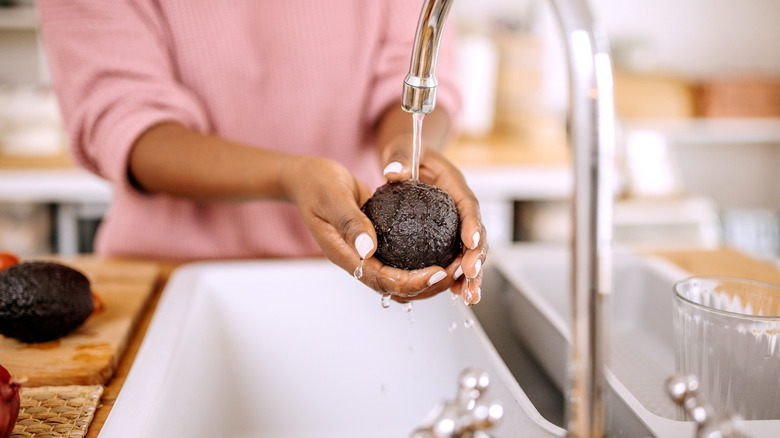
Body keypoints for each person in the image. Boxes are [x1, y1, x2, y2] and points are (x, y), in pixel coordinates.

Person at [35, 0, 487, 304]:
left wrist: (409, 152)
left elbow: (411, 68)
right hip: (171, 279)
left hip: (350, 281)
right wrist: (290, 175)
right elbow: (124, 118)